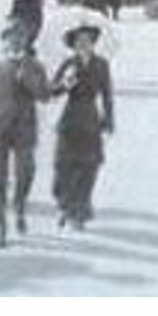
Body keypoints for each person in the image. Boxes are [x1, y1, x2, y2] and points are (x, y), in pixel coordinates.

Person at [0, 21, 51, 247]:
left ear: (27, 41)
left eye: (20, 37)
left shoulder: (36, 66)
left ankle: (19, 207)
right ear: (4, 42)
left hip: (24, 131)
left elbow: (44, 96)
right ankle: (0, 225)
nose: (15, 41)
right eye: (11, 37)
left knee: (25, 174)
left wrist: (27, 77)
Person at [51, 23, 114, 230]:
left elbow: (107, 94)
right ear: (74, 45)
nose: (84, 44)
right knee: (64, 166)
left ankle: (79, 211)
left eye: (87, 41)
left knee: (89, 166)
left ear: (93, 43)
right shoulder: (69, 63)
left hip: (91, 119)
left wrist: (109, 119)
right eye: (79, 41)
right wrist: (64, 85)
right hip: (70, 118)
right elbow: (52, 90)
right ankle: (65, 205)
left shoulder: (102, 65)